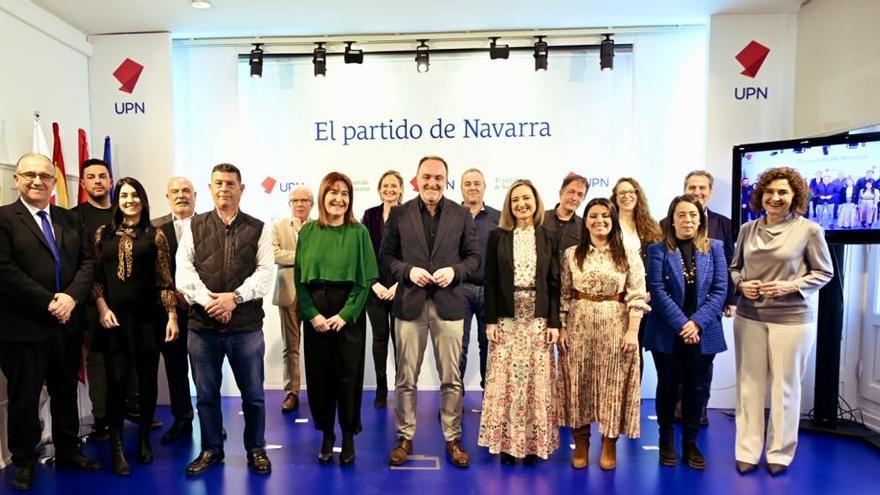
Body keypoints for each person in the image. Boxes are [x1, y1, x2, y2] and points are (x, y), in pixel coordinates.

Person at [0, 153, 101, 490]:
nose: (38, 181)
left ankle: (69, 449)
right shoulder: (4, 219)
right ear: (17, 178)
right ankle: (24, 460)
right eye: (30, 174)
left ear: (53, 181)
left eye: (45, 175)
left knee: (65, 393)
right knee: (25, 398)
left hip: (67, 324)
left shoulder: (70, 219)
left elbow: (88, 264)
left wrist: (71, 297)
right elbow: (5, 271)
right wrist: (49, 302)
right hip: (24, 328)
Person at [731, 166, 833, 476]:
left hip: (792, 320)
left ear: (795, 197)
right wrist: (740, 284)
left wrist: (791, 285)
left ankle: (780, 452)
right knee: (749, 387)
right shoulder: (747, 229)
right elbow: (735, 269)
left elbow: (824, 272)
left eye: (783, 192)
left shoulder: (809, 230)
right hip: (749, 317)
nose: (775, 197)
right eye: (770, 191)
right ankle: (747, 450)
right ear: (760, 195)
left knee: (785, 390)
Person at [379, 155, 480, 468]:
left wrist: (456, 271)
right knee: (405, 378)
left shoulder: (462, 214)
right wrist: (407, 272)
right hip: (409, 304)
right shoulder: (399, 213)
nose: (432, 183)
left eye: (438, 178)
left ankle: (453, 438)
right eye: (427, 177)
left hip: (450, 305)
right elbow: (386, 257)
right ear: (417, 179)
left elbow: (475, 257)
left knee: (452, 379)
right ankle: (404, 437)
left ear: (445, 180)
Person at [176, 163, 274, 476]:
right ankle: (211, 450)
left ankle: (255, 449)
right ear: (209, 188)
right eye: (218, 183)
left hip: (244, 327)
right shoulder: (195, 226)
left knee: (254, 397)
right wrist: (210, 302)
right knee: (206, 396)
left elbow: (265, 272)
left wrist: (234, 298)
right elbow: (184, 272)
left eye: (230, 183)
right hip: (202, 327)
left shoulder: (258, 228)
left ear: (241, 189)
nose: (224, 189)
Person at [92, 177, 179, 476]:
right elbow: (96, 279)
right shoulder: (103, 234)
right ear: (117, 200)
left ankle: (143, 438)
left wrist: (172, 316)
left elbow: (165, 280)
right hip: (114, 321)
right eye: (124, 195)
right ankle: (116, 446)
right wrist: (102, 308)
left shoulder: (155, 235)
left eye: (135, 195)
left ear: (143, 198)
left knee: (146, 383)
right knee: (116, 384)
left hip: (148, 320)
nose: (129, 200)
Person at [557, 198, 649, 470]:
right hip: (579, 325)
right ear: (585, 221)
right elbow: (563, 294)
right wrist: (562, 326)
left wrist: (633, 330)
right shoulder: (572, 254)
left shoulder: (628, 253)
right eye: (594, 216)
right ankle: (581, 443)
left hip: (615, 325)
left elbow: (636, 293)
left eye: (606, 216)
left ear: (613, 220)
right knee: (578, 384)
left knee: (613, 386)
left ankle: (609, 444)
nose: (600, 221)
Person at [295, 172, 378, 466]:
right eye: (333, 192)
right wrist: (312, 314)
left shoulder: (359, 233)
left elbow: (365, 281)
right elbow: (299, 282)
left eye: (345, 193)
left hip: (348, 314)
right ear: (322, 195)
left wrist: (346, 315)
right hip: (316, 313)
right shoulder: (307, 233)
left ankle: (348, 435)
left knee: (348, 377)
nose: (339, 199)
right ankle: (327, 434)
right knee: (320, 378)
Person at [478, 179, 560, 465]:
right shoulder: (497, 236)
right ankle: (506, 445)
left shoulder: (549, 235)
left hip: (537, 320)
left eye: (526, 198)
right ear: (508, 206)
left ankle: (533, 445)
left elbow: (554, 281)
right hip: (506, 319)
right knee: (507, 384)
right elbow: (489, 280)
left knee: (535, 384)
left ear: (536, 201)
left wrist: (554, 323)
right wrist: (490, 321)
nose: (521, 204)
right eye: (515, 200)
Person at [645, 194, 728, 470]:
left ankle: (691, 442)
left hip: (703, 332)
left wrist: (696, 324)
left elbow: (720, 290)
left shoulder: (715, 248)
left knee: (696, 389)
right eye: (681, 215)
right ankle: (666, 439)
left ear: (701, 218)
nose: (687, 220)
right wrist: (683, 324)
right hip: (667, 333)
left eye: (692, 214)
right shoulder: (658, 249)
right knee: (667, 387)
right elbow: (657, 290)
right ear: (672, 219)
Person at [660, 170, 736, 425]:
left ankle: (699, 411)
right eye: (692, 187)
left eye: (703, 188)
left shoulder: (724, 224)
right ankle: (678, 411)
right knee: (674, 370)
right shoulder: (664, 224)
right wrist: (683, 322)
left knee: (702, 366)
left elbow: (730, 265)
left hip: (709, 310)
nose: (698, 192)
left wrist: (730, 299)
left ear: (710, 191)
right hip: (675, 313)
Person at [151, 177, 197, 444]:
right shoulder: (153, 227)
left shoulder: (210, 224)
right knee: (175, 368)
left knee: (206, 372)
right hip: (168, 313)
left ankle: (212, 421)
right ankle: (182, 420)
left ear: (195, 195)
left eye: (186, 191)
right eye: (175, 191)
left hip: (204, 311)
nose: (181, 195)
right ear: (167, 196)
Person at [72, 158, 114, 440]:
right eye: (92, 177)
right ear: (83, 183)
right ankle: (101, 419)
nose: (97, 181)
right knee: (98, 360)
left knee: (128, 359)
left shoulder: (126, 211)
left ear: (110, 181)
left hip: (126, 302)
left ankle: (129, 411)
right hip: (90, 304)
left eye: (102, 176)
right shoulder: (72, 217)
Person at [611, 177, 662, 377]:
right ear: (615, 197)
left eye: (631, 192)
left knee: (634, 353)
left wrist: (647, 293)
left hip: (641, 300)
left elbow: (658, 264)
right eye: (622, 193)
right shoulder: (608, 223)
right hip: (614, 300)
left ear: (638, 196)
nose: (627, 196)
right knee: (613, 354)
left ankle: (632, 403)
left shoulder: (651, 227)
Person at [361, 172, 403, 407]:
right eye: (385, 185)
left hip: (401, 287)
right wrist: (374, 284)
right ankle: (380, 388)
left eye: (393, 186)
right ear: (379, 189)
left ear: (400, 189)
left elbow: (413, 253)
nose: (389, 189)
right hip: (374, 287)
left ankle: (401, 387)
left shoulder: (408, 214)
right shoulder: (369, 215)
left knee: (400, 340)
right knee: (379, 338)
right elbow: (364, 253)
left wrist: (398, 285)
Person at [271, 186, 314, 414]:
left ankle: (318, 390)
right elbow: (274, 254)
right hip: (288, 294)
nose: (299, 204)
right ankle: (292, 392)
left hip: (315, 295)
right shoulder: (278, 227)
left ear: (312, 204)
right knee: (291, 347)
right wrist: (304, 257)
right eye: (295, 200)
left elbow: (321, 257)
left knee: (317, 346)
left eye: (304, 200)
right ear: (290, 203)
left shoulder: (319, 227)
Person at [458, 168, 500, 389]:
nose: (472, 187)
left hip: (489, 290)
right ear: (461, 187)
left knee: (489, 344)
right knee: (459, 346)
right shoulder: (451, 215)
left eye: (477, 183)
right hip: (459, 290)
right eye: (467, 183)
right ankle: (455, 398)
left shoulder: (498, 217)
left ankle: (490, 397)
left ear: (484, 186)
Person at [543, 174, 588, 253]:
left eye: (580, 195)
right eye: (571, 192)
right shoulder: (540, 218)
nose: (574, 198)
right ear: (561, 193)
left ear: (583, 199)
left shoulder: (584, 226)